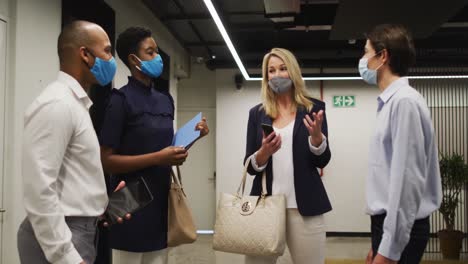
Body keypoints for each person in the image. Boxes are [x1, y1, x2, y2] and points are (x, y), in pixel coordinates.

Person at [17, 20, 127, 264]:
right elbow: (39, 189)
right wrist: (66, 256)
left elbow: (72, 178)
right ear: (85, 55)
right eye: (107, 51)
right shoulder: (57, 105)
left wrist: (101, 203)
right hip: (63, 238)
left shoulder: (75, 104)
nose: (111, 60)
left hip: (80, 230)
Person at [99, 26, 209, 264]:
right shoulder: (120, 100)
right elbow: (106, 160)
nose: (157, 57)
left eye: (157, 52)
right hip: (127, 198)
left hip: (161, 196)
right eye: (150, 52)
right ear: (133, 59)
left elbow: (167, 150)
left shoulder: (165, 100)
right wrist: (159, 158)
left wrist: (194, 138)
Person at [360, 24, 442, 264]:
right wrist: (381, 242)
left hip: (402, 229)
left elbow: (406, 181)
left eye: (366, 52)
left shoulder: (404, 103)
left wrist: (388, 249)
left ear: (382, 56)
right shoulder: (392, 103)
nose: (363, 60)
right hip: (391, 227)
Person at [243, 47, 332, 264]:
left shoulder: (313, 109)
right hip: (265, 205)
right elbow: (249, 166)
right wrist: (263, 152)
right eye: (271, 71)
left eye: (283, 68)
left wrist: (317, 139)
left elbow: (322, 160)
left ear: (292, 71)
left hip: (305, 208)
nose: (277, 75)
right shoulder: (257, 113)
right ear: (266, 77)